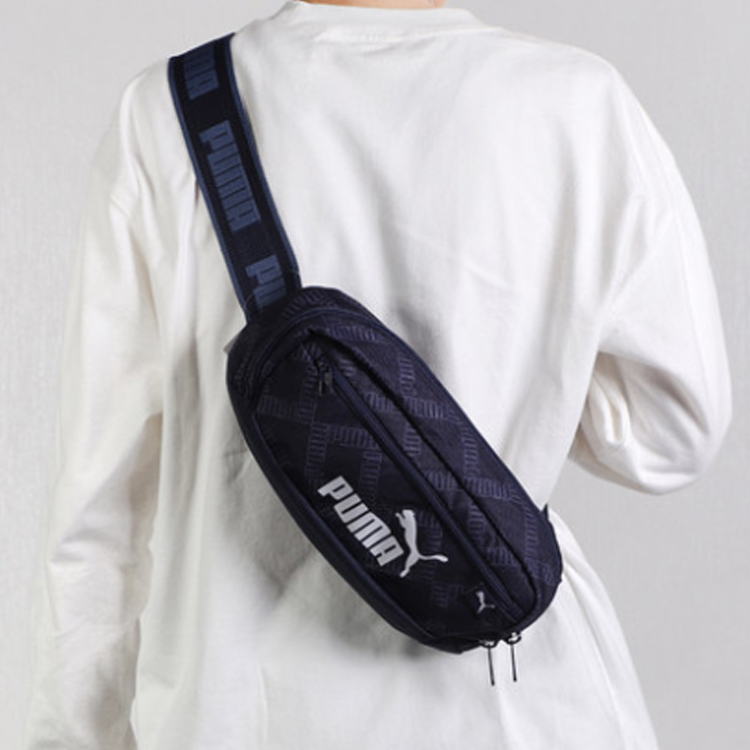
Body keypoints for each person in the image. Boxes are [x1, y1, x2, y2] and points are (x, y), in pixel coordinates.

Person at [24, 1, 731, 748]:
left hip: (242, 713)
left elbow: (97, 510)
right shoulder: (579, 101)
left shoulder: (169, 112)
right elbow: (671, 438)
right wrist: (528, 378)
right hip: (523, 706)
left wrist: (71, 735)